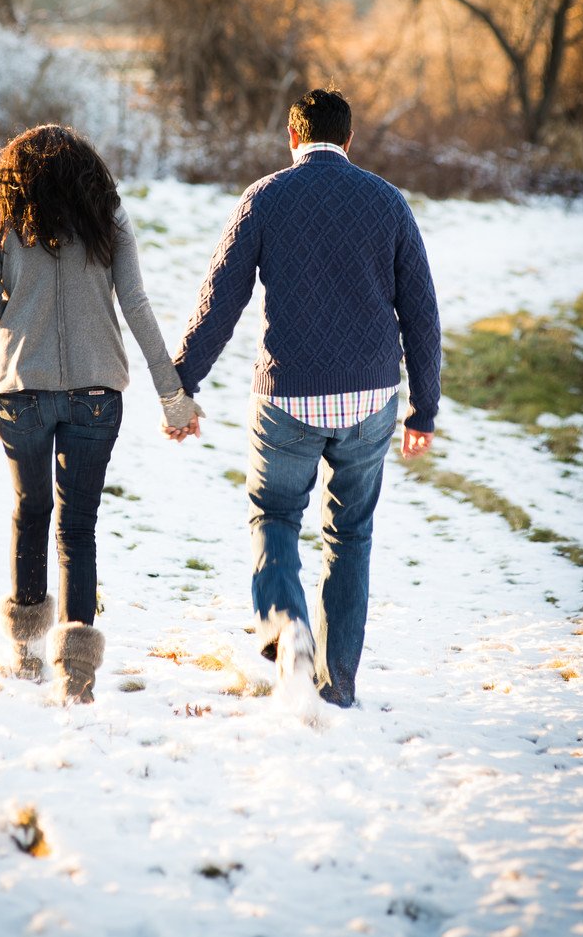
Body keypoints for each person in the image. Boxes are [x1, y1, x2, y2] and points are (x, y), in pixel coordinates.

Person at [167, 89, 441, 709]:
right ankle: (337, 682)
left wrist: (182, 383)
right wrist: (423, 408)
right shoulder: (388, 202)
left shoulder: (264, 198)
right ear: (348, 142)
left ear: (293, 140)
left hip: (287, 397)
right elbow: (421, 314)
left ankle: (286, 625)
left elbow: (220, 303)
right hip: (370, 400)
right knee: (350, 536)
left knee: (275, 514)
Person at [0, 124, 200, 703]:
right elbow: (137, 306)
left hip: (21, 388)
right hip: (97, 394)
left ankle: (23, 650)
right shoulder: (108, 215)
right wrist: (174, 396)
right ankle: (77, 672)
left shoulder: (1, 213)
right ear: (87, 168)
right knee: (79, 526)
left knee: (31, 509)